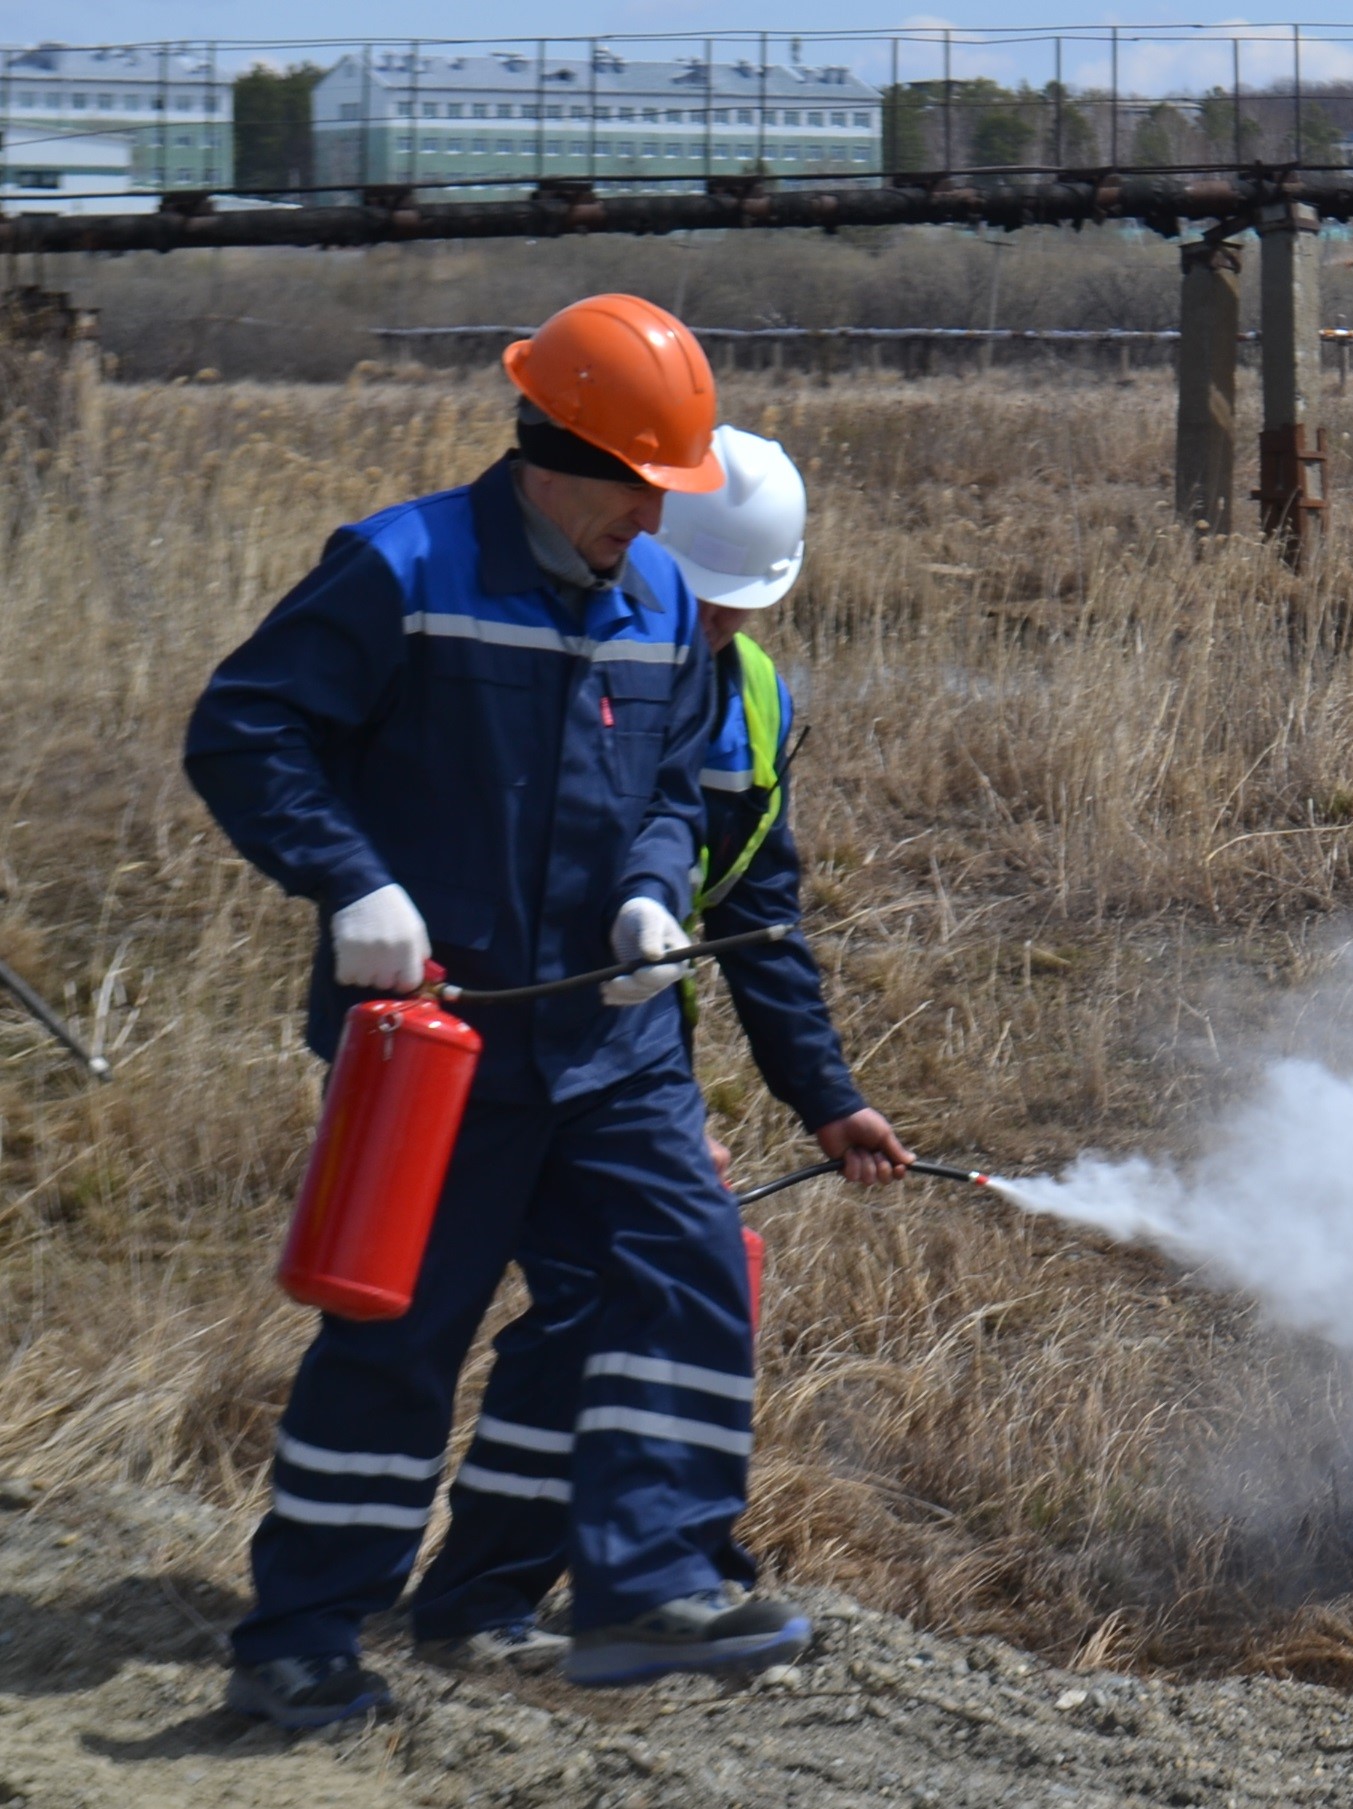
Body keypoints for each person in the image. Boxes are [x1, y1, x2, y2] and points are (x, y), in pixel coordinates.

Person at [185, 294, 810, 1730]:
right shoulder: (401, 568)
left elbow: (666, 788)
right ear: (558, 451)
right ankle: (301, 1637)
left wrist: (657, 889)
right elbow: (245, 730)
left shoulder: (657, 601)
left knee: (686, 1266)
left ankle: (646, 1587)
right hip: (441, 1042)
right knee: (404, 1332)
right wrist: (350, 882)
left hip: (611, 1039)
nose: (653, 525)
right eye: (639, 490)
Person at [399, 426, 913, 1675]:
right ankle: (538, 1594)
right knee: (526, 1305)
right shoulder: (550, 653)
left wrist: (823, 1097)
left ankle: (500, 1597)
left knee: (606, 1304)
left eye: (737, 612)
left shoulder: (753, 698)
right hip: (495, 1054)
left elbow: (754, 909)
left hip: (628, 1067)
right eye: (705, 603)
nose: (716, 633)